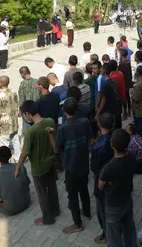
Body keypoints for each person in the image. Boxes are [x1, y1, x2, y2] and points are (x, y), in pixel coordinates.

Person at [16, 100, 59, 225]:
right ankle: (56, 210)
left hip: (38, 167)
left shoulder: (31, 131)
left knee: (42, 194)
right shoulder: (50, 121)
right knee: (52, 187)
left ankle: (48, 218)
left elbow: (25, 153)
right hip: (51, 162)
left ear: (28, 114)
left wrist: (18, 167)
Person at [54, 98, 94, 233]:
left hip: (71, 166)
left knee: (72, 195)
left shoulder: (62, 128)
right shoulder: (85, 122)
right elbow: (91, 140)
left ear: (64, 111)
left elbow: (56, 148)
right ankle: (87, 211)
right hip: (83, 163)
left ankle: (77, 223)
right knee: (84, 189)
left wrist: (50, 134)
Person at [98, 129, 137, 247]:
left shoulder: (108, 167)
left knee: (113, 235)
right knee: (129, 227)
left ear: (112, 145)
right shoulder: (131, 156)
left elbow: (100, 186)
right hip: (127, 199)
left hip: (113, 205)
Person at [90, 113, 114, 244]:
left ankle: (106, 234)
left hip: (102, 180)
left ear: (99, 125)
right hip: (115, 179)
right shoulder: (115, 138)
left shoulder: (98, 145)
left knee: (102, 211)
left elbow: (94, 167)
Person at [0, 146, 31, 215]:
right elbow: (27, 184)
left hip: (9, 210)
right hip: (26, 203)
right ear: (10, 156)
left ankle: (0, 208)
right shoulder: (20, 167)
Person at [0, 76, 21, 162]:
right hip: (14, 122)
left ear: (0, 83)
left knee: (3, 144)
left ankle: (6, 161)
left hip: (4, 124)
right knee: (15, 140)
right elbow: (17, 105)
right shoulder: (14, 92)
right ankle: (18, 158)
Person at [96, 63, 123, 129]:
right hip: (116, 109)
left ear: (104, 71)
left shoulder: (105, 85)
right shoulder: (113, 81)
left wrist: (98, 113)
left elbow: (103, 100)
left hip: (110, 111)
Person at [18, 67, 41, 135]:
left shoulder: (22, 84)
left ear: (22, 74)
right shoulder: (37, 82)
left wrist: (20, 111)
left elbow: (21, 99)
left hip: (27, 111)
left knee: (28, 131)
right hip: (37, 109)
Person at [118, 49, 133, 118]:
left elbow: (119, 74)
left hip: (123, 83)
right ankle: (129, 110)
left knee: (124, 98)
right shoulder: (128, 62)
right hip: (128, 82)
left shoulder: (121, 64)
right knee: (128, 97)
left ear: (121, 55)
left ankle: (125, 112)